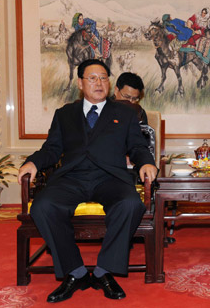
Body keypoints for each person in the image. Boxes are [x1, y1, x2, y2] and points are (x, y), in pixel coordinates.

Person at [18, 59, 157, 303]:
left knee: (130, 204)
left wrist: (146, 162)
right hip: (72, 177)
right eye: (92, 78)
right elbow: (51, 149)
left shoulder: (124, 113)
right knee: (43, 206)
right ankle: (76, 272)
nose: (99, 83)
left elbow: (137, 146)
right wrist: (33, 162)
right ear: (81, 83)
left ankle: (104, 271)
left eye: (103, 78)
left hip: (110, 177)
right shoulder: (65, 114)